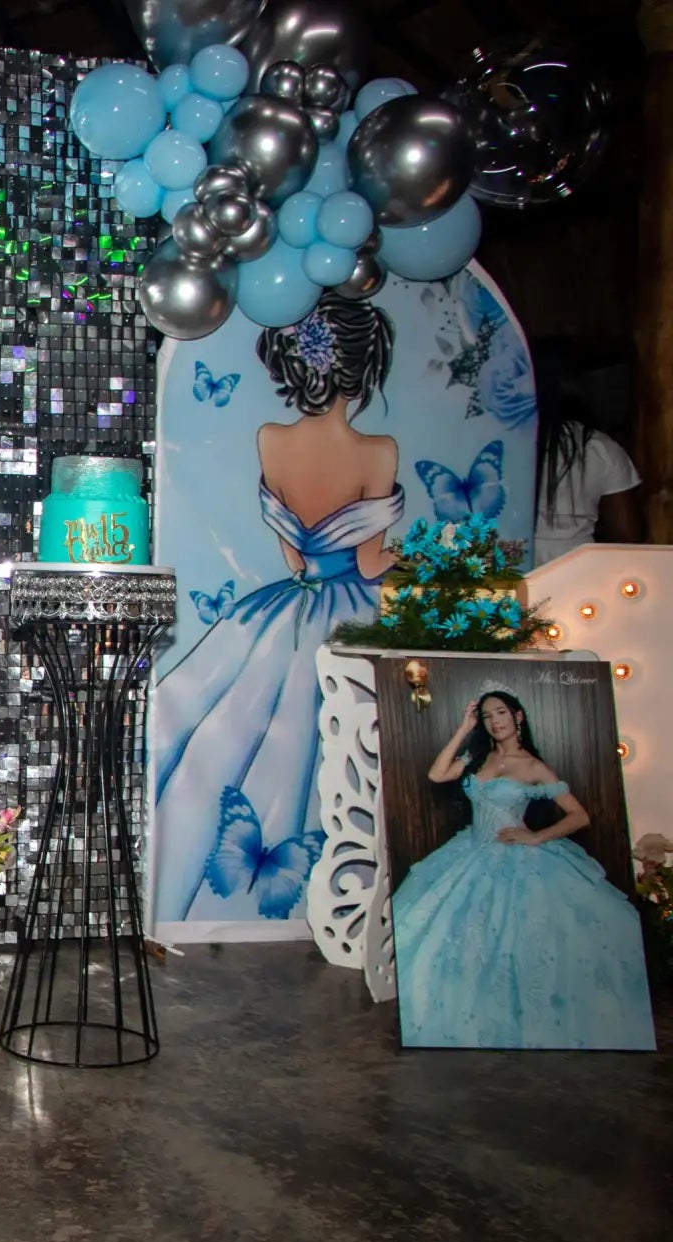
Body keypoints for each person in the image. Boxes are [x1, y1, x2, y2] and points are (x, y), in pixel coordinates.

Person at [153, 296, 406, 924]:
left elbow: (294, 556)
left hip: (280, 611)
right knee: (341, 739)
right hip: (351, 606)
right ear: (365, 371)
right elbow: (373, 564)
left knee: (245, 730)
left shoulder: (271, 439)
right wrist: (420, 561)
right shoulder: (376, 452)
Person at [391, 691, 655, 1050]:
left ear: (517, 716)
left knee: (521, 941)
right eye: (486, 716)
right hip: (469, 853)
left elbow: (580, 816)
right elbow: (437, 774)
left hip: (515, 857)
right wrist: (463, 727)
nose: (494, 721)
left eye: (500, 712)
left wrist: (536, 837)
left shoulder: (533, 767)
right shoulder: (475, 757)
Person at [532, 363, 641, 567]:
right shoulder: (600, 447)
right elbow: (628, 535)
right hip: (579, 569)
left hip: (512, 568)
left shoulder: (511, 444)